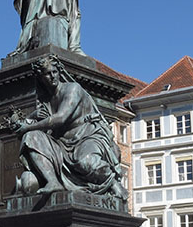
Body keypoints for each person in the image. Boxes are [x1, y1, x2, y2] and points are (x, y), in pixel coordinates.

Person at [13, 57, 127, 202]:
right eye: (48, 74)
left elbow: (60, 118)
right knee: (31, 137)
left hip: (87, 136)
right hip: (62, 142)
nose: (53, 76)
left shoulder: (72, 89)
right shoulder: (46, 101)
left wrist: (27, 127)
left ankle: (112, 182)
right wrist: (28, 120)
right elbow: (35, 121)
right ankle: (53, 181)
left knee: (85, 162)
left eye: (55, 72)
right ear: (41, 77)